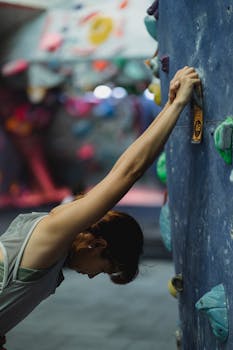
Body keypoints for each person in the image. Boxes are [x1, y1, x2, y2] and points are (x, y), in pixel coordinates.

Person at [0, 66, 200, 345]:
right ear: (97, 246)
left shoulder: (51, 239)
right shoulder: (52, 235)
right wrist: (176, 104)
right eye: (106, 269)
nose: (93, 276)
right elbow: (127, 173)